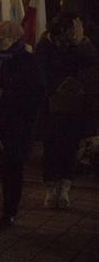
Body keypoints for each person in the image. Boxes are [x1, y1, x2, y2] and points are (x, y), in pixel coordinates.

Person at [0, 21, 42, 228]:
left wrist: (5, 95)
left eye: (1, 40)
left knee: (11, 172)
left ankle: (9, 212)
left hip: (15, 127)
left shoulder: (28, 62)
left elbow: (34, 96)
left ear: (15, 40)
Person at [34, 12, 96, 208]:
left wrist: (82, 41)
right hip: (52, 106)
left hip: (73, 106)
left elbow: (89, 62)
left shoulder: (76, 46)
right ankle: (51, 190)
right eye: (70, 28)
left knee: (70, 148)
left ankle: (65, 189)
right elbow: (40, 72)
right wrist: (56, 88)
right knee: (52, 148)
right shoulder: (46, 45)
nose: (72, 32)